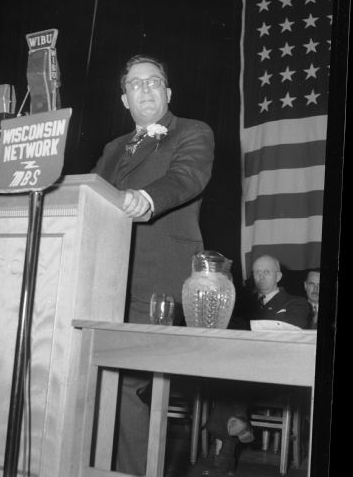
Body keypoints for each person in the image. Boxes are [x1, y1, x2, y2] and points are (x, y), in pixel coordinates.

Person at [92, 54, 215, 475]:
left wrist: (145, 199)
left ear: (168, 92)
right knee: (96, 377)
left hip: (159, 282)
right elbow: (92, 199)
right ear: (124, 98)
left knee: (123, 380)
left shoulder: (193, 132)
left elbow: (185, 177)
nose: (144, 88)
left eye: (154, 81)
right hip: (102, 281)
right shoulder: (111, 149)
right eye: (134, 84)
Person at [201, 254, 311, 476]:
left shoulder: (297, 303)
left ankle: (223, 462)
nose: (260, 276)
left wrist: (244, 326)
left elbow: (290, 328)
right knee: (230, 382)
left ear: (279, 276)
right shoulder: (240, 303)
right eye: (256, 272)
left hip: (276, 376)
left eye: (266, 271)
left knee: (228, 386)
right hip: (240, 373)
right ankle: (232, 440)